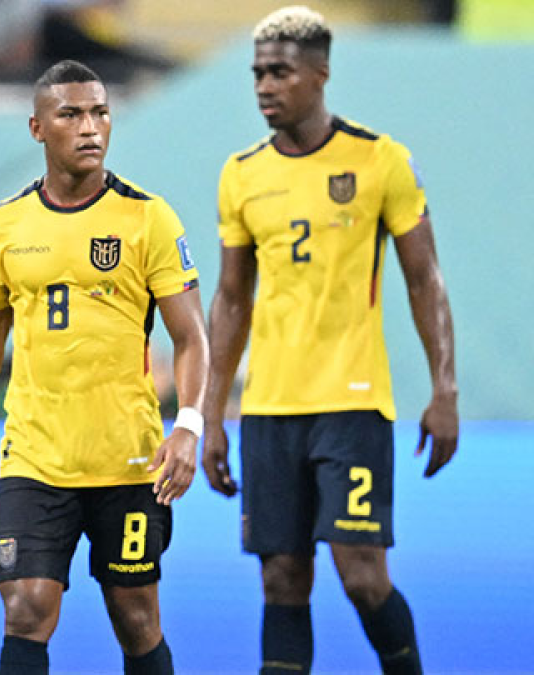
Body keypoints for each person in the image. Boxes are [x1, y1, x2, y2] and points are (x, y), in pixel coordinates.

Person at [0, 60, 209, 675]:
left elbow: (191, 337)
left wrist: (187, 424)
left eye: (100, 112)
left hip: (127, 461)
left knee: (136, 619)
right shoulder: (5, 224)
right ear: (37, 128)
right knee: (26, 608)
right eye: (71, 114)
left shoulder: (148, 218)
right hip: (34, 460)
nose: (90, 127)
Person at [200, 7, 458, 675]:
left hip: (353, 402)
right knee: (282, 579)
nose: (264, 85)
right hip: (268, 409)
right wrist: (210, 413)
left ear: (320, 74)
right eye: (257, 72)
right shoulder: (241, 174)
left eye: (279, 72)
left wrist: (444, 388)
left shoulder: (380, 161)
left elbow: (424, 279)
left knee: (363, 576)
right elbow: (231, 299)